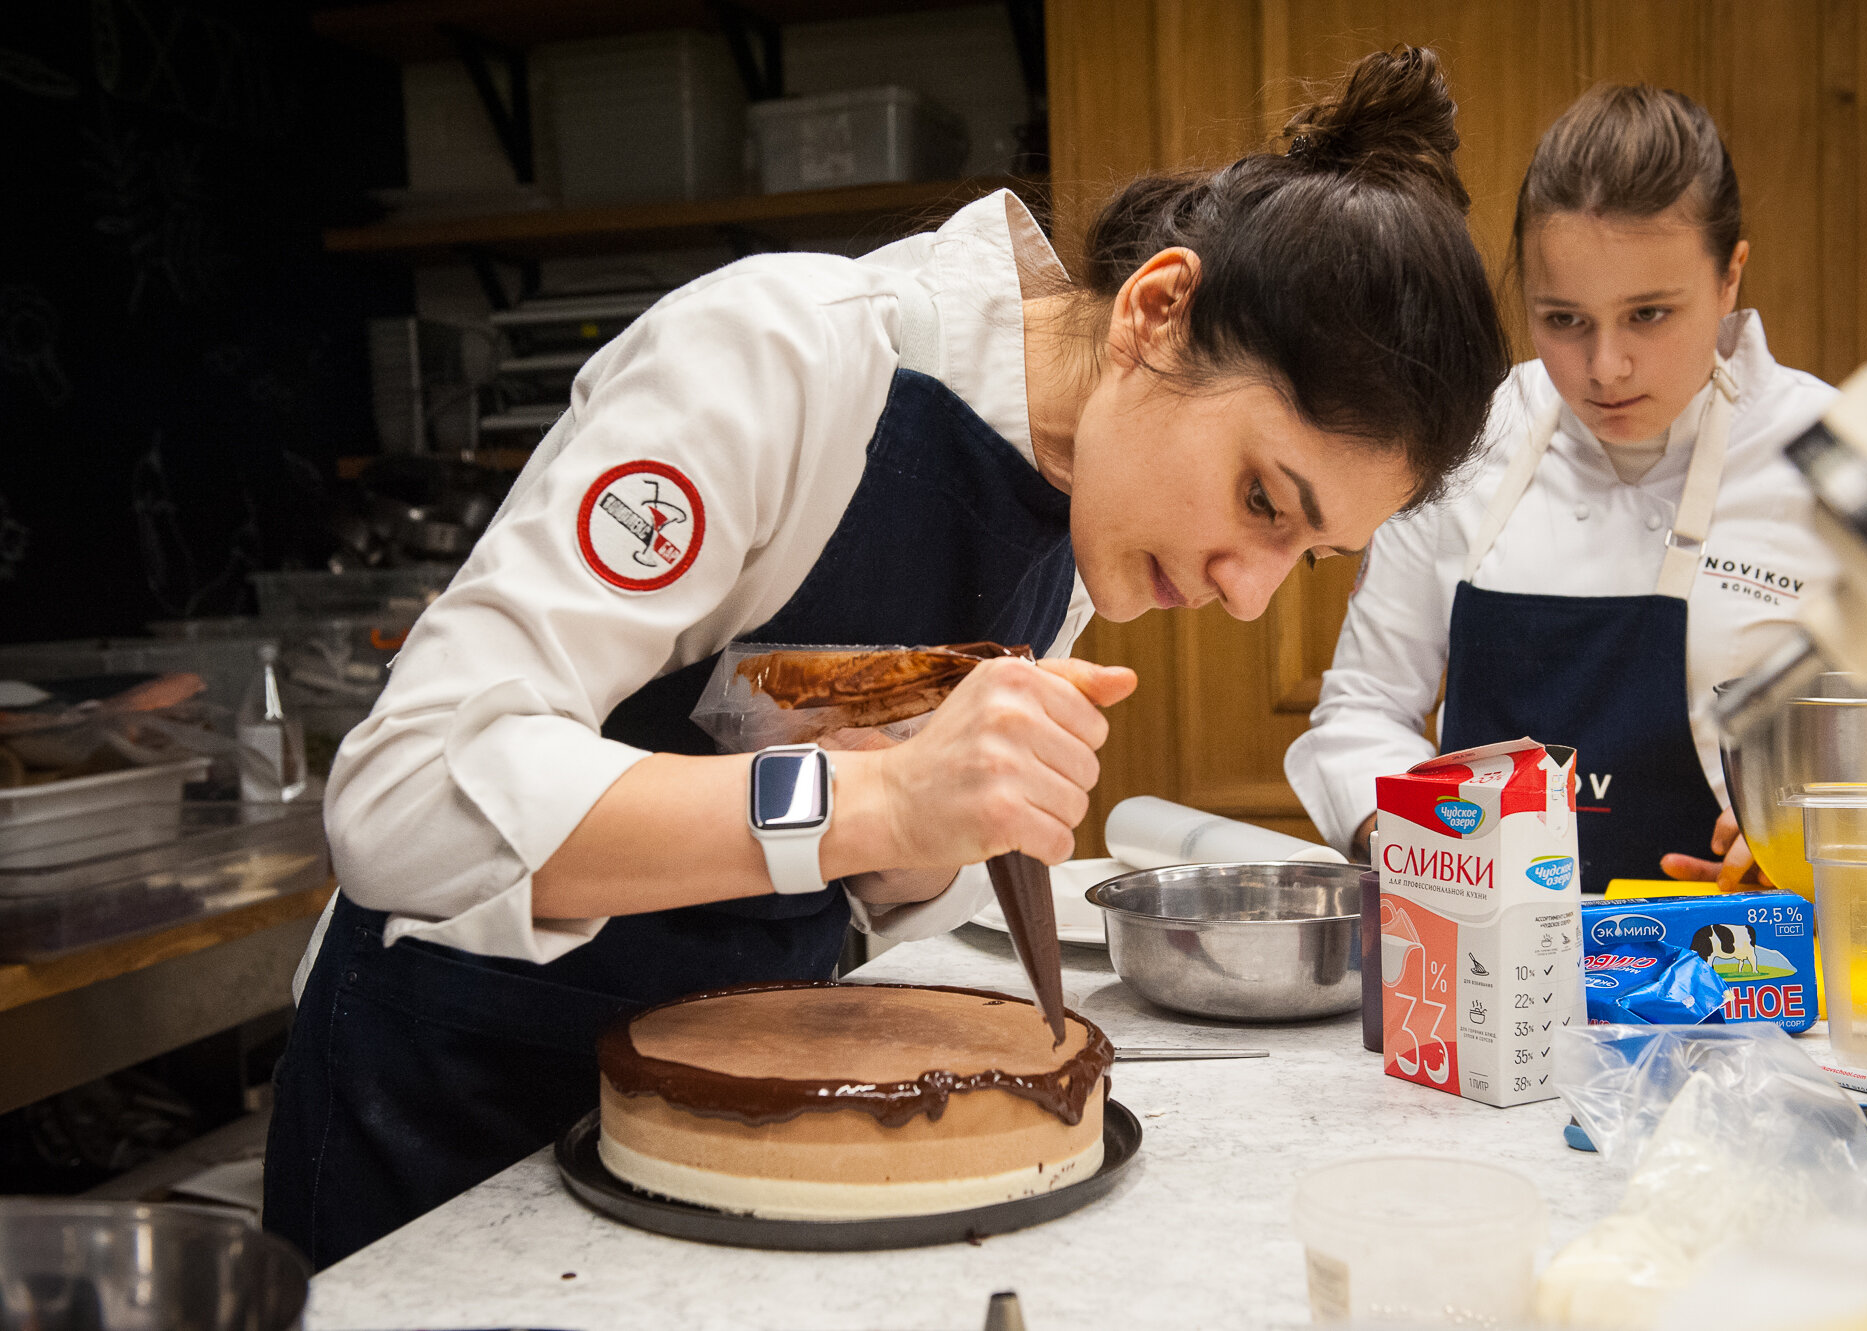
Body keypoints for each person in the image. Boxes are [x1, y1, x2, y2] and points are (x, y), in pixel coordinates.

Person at [265, 47, 1509, 1268]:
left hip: (726, 1142)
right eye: (1258, 497)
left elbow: (827, 878)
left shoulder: (1083, 516)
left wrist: (911, 852)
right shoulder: (783, 359)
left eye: (1302, 555)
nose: (1245, 596)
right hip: (449, 1116)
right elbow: (404, 800)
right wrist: (868, 796)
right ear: (1156, 309)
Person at [1286, 83, 1838, 895]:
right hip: (1484, 963)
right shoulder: (1466, 442)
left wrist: (1809, 841)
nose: (1605, 367)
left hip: (1735, 974)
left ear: (1730, 279)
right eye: (1564, 320)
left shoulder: (1834, 460)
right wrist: (1419, 836)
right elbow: (1361, 713)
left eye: (1648, 314)